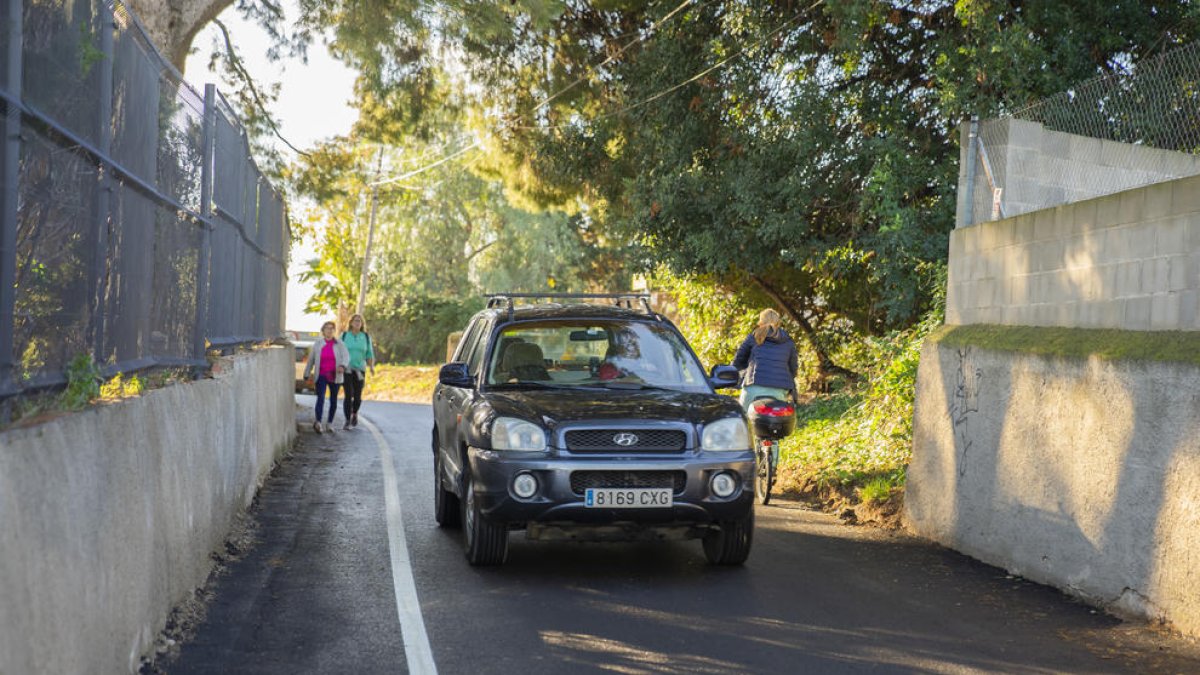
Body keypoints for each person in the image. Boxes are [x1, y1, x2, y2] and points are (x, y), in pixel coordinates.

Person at [732, 308, 799, 412]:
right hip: (779, 391)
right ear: (778, 322)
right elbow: (793, 369)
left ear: (760, 322)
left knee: (742, 420)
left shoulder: (754, 336)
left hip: (753, 387)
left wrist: (742, 370)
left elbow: (738, 360)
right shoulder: (788, 341)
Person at [303, 321, 349, 434]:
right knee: (321, 398)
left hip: (335, 375)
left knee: (333, 400)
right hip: (322, 375)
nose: (329, 330)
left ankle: (329, 423)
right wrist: (307, 373)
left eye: (332, 328)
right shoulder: (318, 344)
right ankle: (318, 422)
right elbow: (311, 359)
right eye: (327, 328)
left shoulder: (339, 343)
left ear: (334, 331)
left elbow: (346, 356)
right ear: (323, 331)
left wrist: (343, 366)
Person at [340, 313, 376, 429]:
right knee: (348, 394)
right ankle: (347, 420)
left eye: (359, 321)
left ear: (362, 324)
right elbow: (339, 351)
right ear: (351, 323)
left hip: (360, 369)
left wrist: (371, 367)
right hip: (347, 369)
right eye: (355, 321)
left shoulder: (365, 337)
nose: (357, 323)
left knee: (357, 396)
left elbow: (369, 353)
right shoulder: (345, 336)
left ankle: (354, 413)